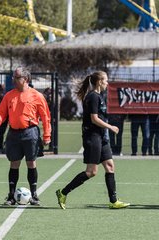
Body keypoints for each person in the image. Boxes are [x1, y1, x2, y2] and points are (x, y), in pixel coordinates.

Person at [55, 71, 130, 209]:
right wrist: (111, 127)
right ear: (99, 82)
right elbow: (94, 119)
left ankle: (113, 201)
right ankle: (63, 192)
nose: (107, 83)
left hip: (101, 137)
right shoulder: (93, 97)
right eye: (106, 80)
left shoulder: (98, 96)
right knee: (91, 172)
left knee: (110, 166)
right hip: (92, 137)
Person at [0, 67, 51, 206]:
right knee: (14, 163)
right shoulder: (9, 95)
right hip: (13, 133)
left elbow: (45, 117)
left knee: (31, 163)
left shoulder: (37, 95)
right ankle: (11, 196)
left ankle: (34, 195)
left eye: (16, 77)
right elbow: (1, 112)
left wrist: (46, 135)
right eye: (14, 77)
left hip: (30, 133)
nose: (13, 79)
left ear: (25, 79)